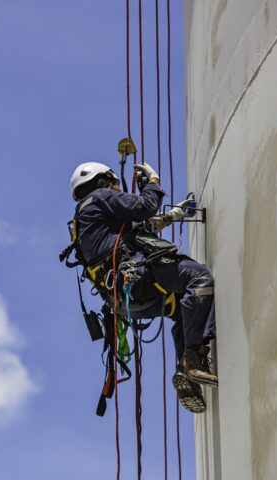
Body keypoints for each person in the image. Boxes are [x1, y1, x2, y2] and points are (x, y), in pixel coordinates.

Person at [69, 161, 217, 414]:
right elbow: (143, 207)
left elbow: (139, 229)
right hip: (137, 278)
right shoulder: (101, 196)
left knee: (184, 310)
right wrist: (153, 182)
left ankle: (187, 371)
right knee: (199, 278)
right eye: (116, 183)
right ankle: (192, 357)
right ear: (103, 180)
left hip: (126, 301)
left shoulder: (85, 220)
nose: (119, 189)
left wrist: (176, 214)